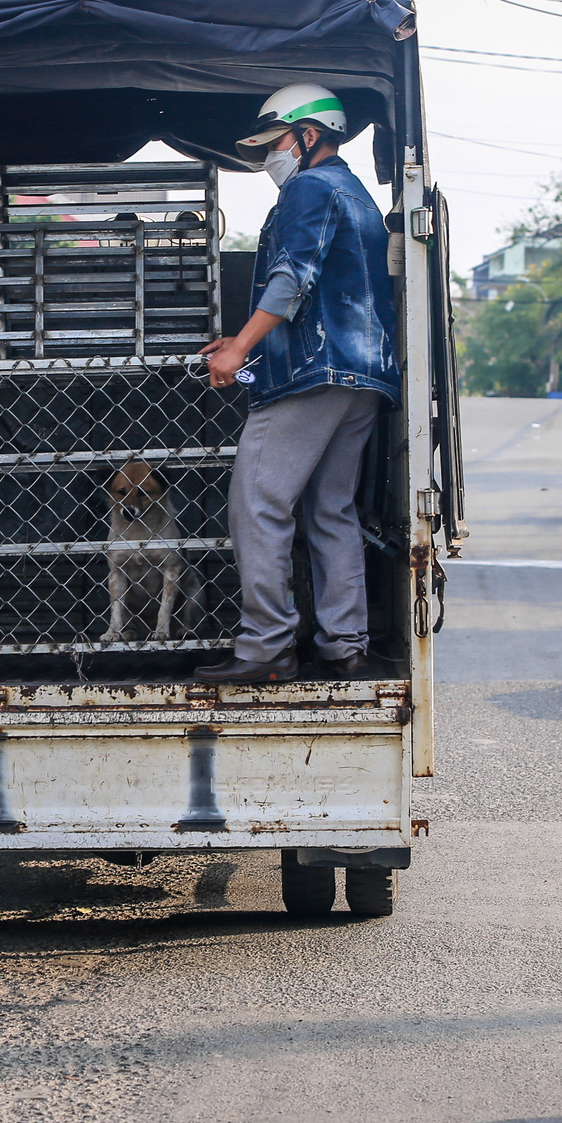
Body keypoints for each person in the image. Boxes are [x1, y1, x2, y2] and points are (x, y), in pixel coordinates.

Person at [194, 83, 399, 684]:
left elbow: (295, 275)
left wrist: (240, 346)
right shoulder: (355, 193)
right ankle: (344, 645)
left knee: (258, 503)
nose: (268, 159)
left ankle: (266, 647)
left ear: (309, 135)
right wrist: (242, 338)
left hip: (313, 372)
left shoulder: (310, 187)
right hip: (363, 375)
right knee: (330, 509)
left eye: (274, 144)